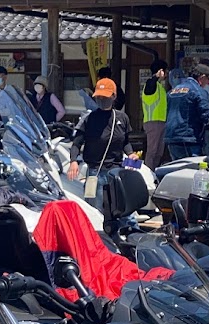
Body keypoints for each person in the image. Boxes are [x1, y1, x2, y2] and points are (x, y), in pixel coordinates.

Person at [67, 78, 130, 213]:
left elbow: (125, 141)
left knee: (121, 208)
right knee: (95, 209)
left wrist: (131, 154)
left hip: (116, 170)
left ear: (113, 96)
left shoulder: (122, 118)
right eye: (99, 97)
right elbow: (77, 143)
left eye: (105, 97)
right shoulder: (89, 118)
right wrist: (73, 161)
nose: (101, 100)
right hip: (95, 171)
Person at [164, 63, 209, 160]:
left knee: (177, 167)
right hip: (189, 139)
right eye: (207, 80)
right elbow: (206, 117)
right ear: (202, 77)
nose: (206, 84)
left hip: (171, 138)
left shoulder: (173, 91)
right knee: (192, 168)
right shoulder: (199, 91)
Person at [140, 59, 168, 169]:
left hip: (161, 122)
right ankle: (148, 172)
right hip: (152, 122)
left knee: (159, 152)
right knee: (152, 151)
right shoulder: (150, 84)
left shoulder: (160, 87)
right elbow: (150, 85)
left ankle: (154, 171)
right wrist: (156, 76)